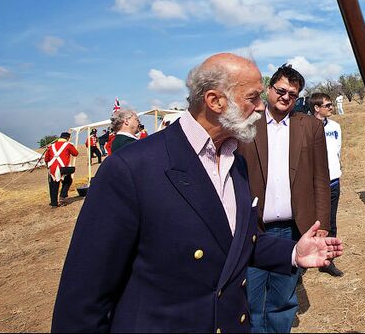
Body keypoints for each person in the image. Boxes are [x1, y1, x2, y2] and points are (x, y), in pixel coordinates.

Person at [51, 53, 343, 333]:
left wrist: (292, 251)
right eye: (252, 98)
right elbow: (83, 299)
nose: (259, 108)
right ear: (215, 101)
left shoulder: (234, 161)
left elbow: (233, 243)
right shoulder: (131, 169)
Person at [238, 64, 331, 333]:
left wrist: (321, 222)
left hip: (293, 229)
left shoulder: (311, 127)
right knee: (250, 298)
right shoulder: (247, 122)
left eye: (293, 94)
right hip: (254, 228)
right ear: (269, 89)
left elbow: (320, 178)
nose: (286, 97)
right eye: (281, 90)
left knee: (282, 300)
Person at [309, 92, 344, 278]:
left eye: (331, 105)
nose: (331, 108)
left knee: (330, 222)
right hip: (312, 185)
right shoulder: (305, 127)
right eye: (327, 105)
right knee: (308, 223)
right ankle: (300, 266)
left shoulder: (336, 127)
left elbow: (337, 151)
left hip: (333, 182)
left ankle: (327, 261)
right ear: (316, 108)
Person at [43, 131, 79, 208]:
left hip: (52, 168)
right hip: (63, 168)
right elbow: (75, 153)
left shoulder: (51, 146)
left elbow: (46, 158)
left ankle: (54, 203)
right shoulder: (68, 145)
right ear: (67, 138)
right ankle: (62, 196)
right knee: (68, 181)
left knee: (53, 185)